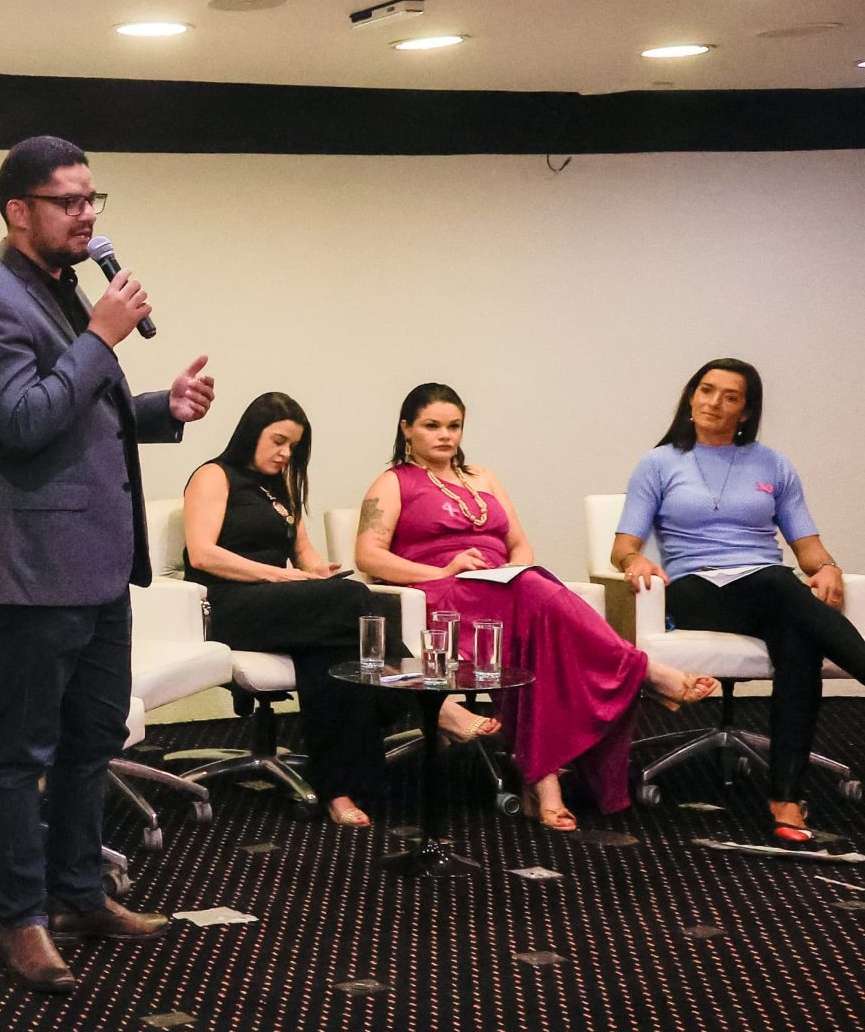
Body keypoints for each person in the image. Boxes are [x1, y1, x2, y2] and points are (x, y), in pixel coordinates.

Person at [0, 135, 216, 993]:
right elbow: (25, 420)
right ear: (17, 210)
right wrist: (103, 336)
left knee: (92, 736)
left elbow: (77, 410)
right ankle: (19, 921)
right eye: (69, 201)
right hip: (34, 565)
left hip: (99, 562)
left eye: (94, 199)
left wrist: (158, 408)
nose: (88, 215)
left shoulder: (63, 297)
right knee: (21, 745)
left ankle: (78, 894)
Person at [353, 383, 719, 830]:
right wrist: (446, 570)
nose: (445, 436)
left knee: (536, 629)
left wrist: (510, 572)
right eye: (432, 426)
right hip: (441, 599)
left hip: (501, 591)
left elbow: (520, 545)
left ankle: (541, 785)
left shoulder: (482, 477)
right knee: (532, 599)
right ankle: (641, 671)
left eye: (454, 426)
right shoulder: (393, 482)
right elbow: (368, 556)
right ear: (407, 429)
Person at [183, 392, 493, 828]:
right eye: (277, 441)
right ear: (251, 434)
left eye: (293, 446)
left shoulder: (283, 485)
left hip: (280, 603)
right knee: (352, 601)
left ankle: (338, 790)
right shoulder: (215, 476)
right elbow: (202, 554)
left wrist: (316, 571)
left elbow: (304, 552)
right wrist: (282, 576)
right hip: (227, 604)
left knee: (330, 653)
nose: (285, 453)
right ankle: (430, 703)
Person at [610, 359, 864, 842]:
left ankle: (785, 799)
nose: (714, 403)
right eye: (706, 390)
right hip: (695, 588)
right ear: (690, 396)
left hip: (766, 588)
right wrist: (633, 563)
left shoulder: (773, 464)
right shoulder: (659, 463)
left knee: (798, 639)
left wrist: (827, 567)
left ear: (746, 411)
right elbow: (624, 545)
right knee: (780, 588)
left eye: (730, 396)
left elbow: (807, 548)